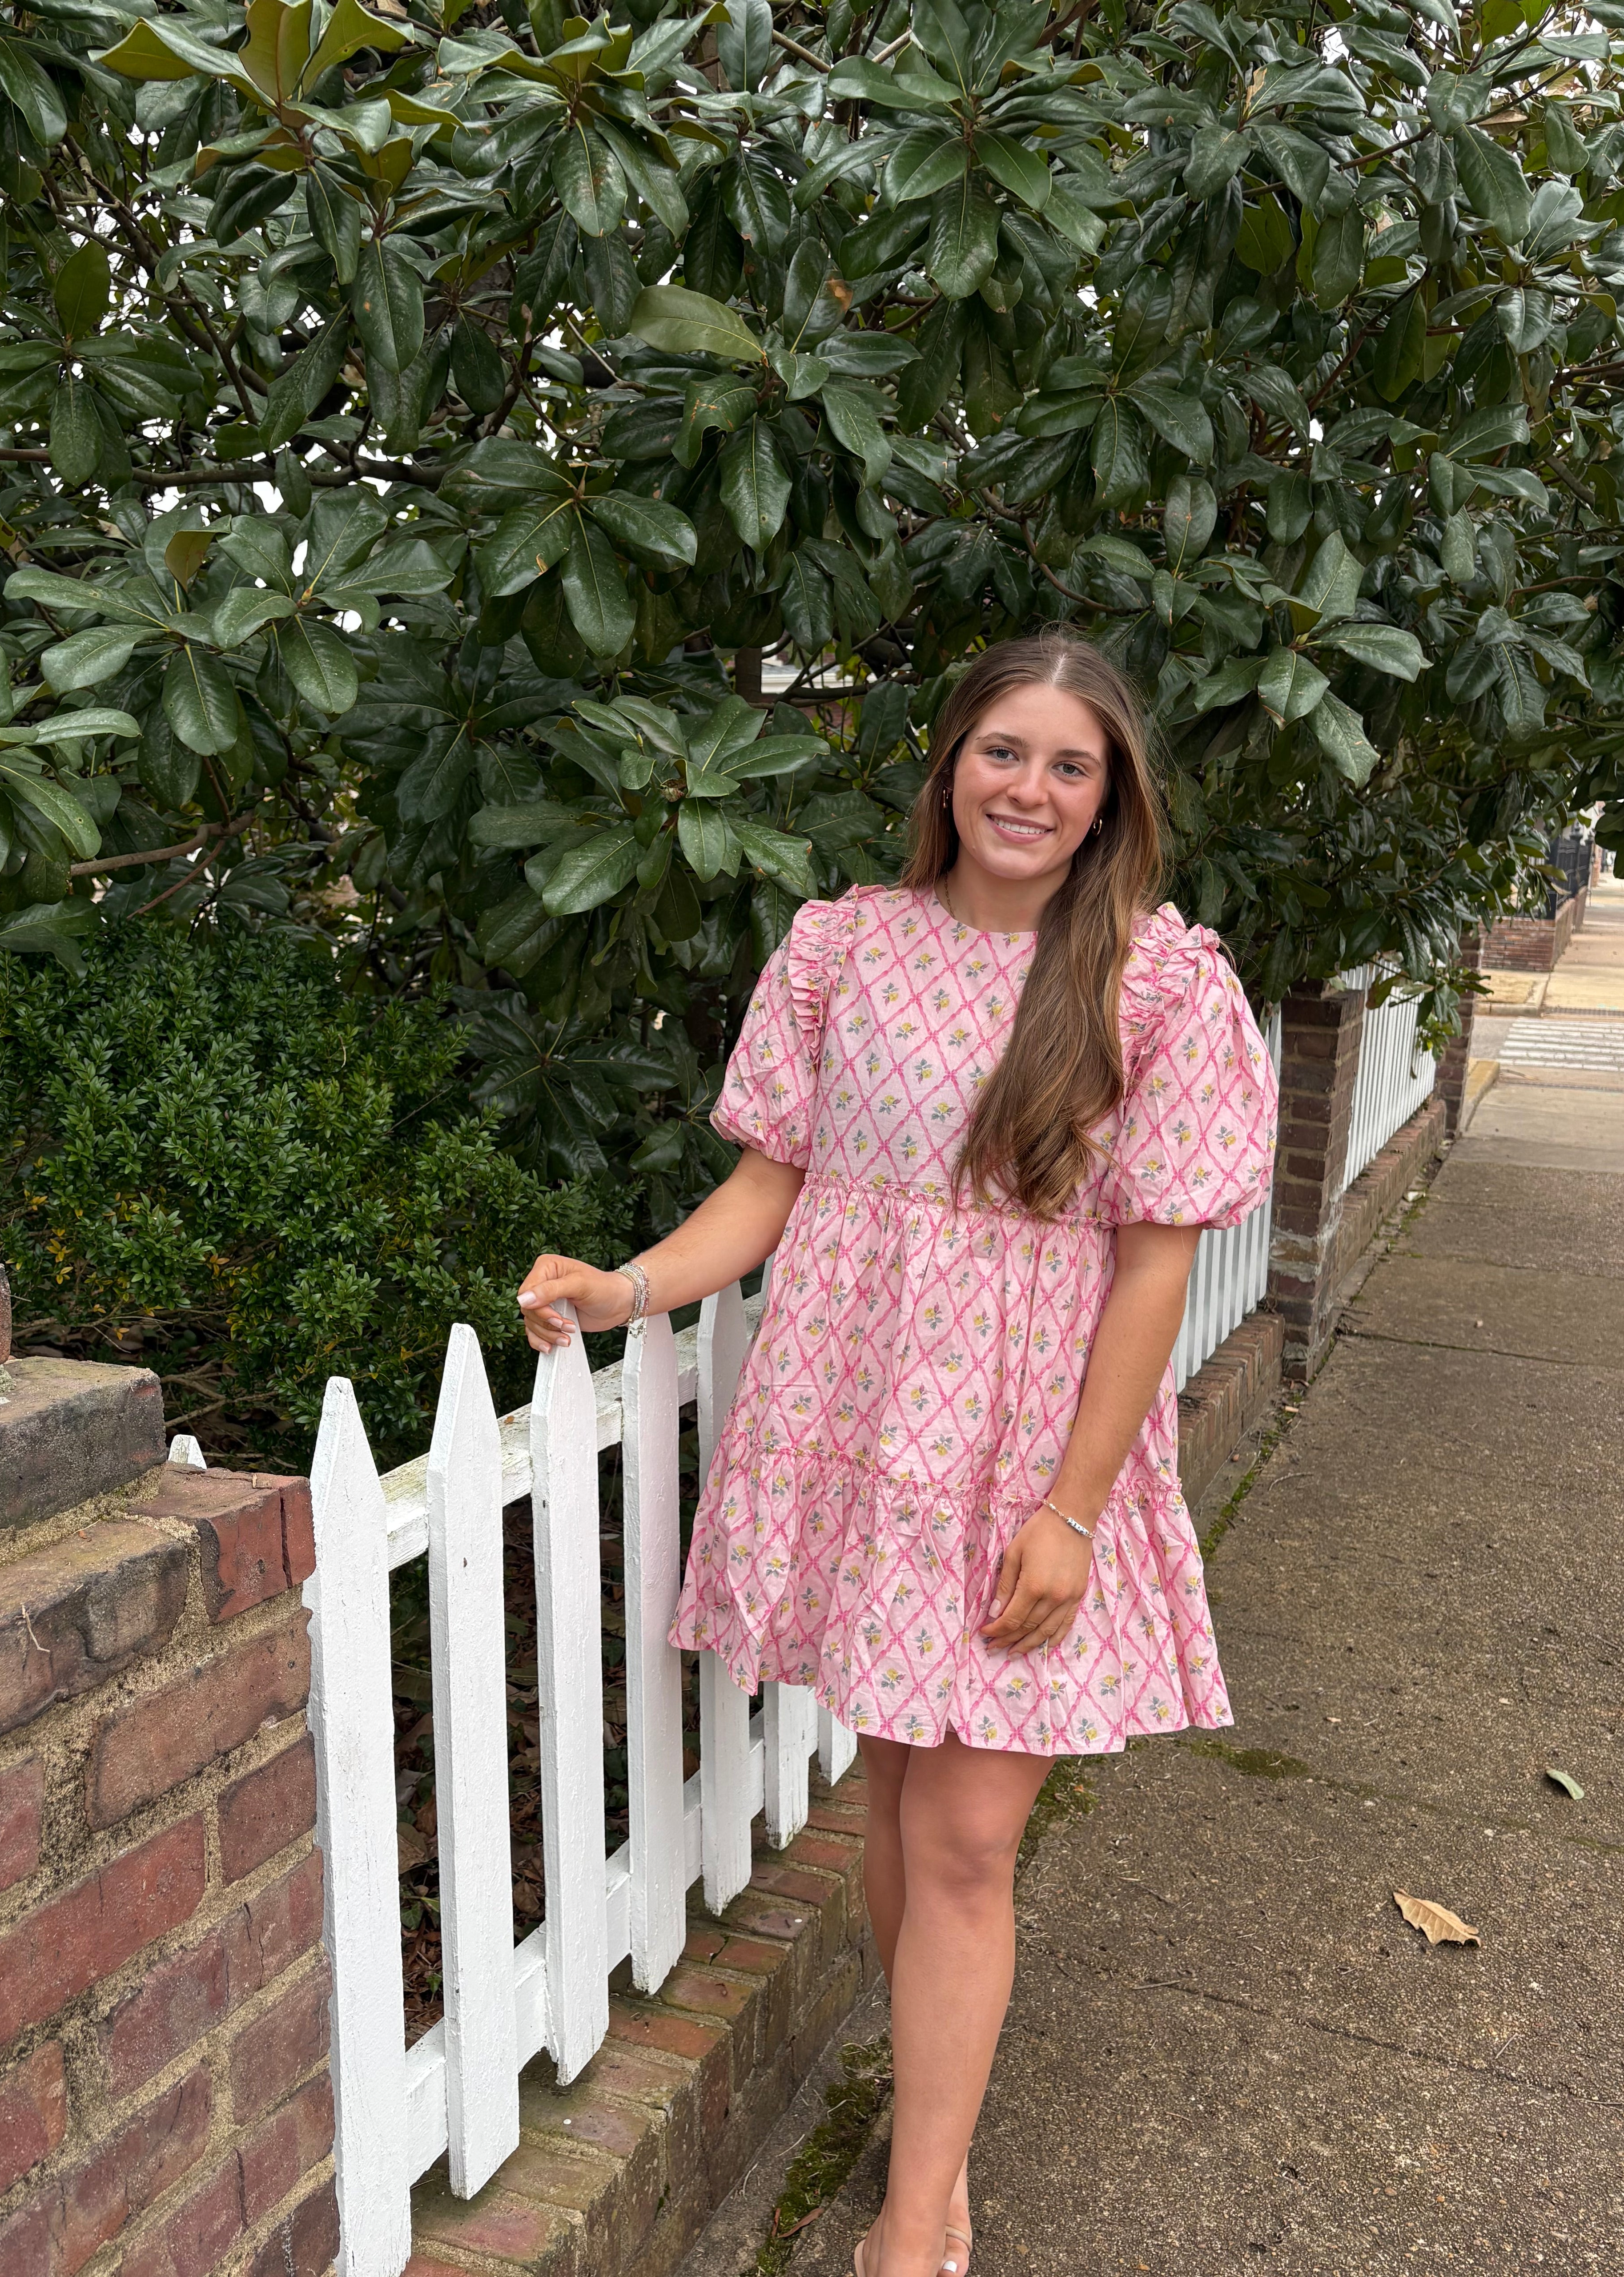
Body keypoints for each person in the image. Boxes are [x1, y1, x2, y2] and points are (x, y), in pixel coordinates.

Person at [519, 635, 1279, 2277]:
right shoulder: (842, 948)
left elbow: (1154, 1262)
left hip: (1028, 1444)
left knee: (967, 1839)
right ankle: (927, 2152)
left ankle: (914, 2218)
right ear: (949, 767)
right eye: (1005, 752)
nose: (1032, 789)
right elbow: (773, 1186)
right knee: (895, 1805)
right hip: (861, 1431)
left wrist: (1072, 1508)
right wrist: (630, 1283)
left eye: (1071, 766)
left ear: (1109, 800)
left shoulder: (1155, 981)